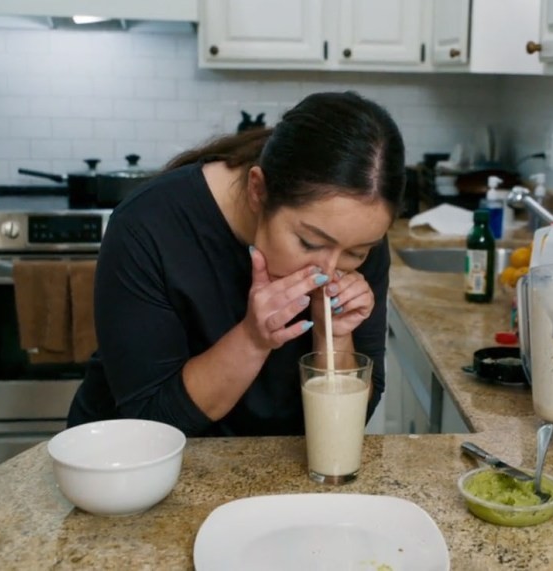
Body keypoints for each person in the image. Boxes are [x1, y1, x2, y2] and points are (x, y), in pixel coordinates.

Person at [67, 91, 406, 437]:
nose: (329, 272)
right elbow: (153, 421)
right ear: (258, 190)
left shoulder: (354, 231)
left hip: (277, 470)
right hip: (129, 465)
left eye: (356, 254)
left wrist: (333, 334)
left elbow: (347, 424)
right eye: (309, 242)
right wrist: (253, 339)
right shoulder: (147, 225)